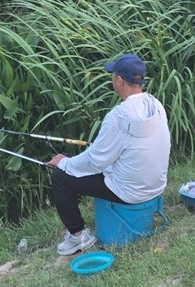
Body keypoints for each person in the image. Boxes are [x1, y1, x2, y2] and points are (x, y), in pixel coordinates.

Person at [47, 53, 171, 256]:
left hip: (130, 192)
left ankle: (78, 236)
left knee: (61, 178)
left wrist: (63, 163)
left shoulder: (117, 117)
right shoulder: (155, 105)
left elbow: (94, 162)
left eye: (113, 75)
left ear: (119, 80)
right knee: (83, 166)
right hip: (156, 185)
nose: (112, 79)